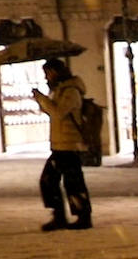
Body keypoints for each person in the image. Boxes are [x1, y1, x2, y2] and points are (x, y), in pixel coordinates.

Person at [32, 58, 93, 231]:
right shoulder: (59, 90)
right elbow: (53, 111)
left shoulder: (71, 91)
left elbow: (58, 112)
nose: (47, 77)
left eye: (48, 73)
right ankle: (61, 216)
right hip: (61, 144)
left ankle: (81, 217)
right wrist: (41, 100)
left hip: (70, 144)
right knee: (51, 181)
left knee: (69, 182)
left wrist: (43, 99)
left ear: (57, 71)